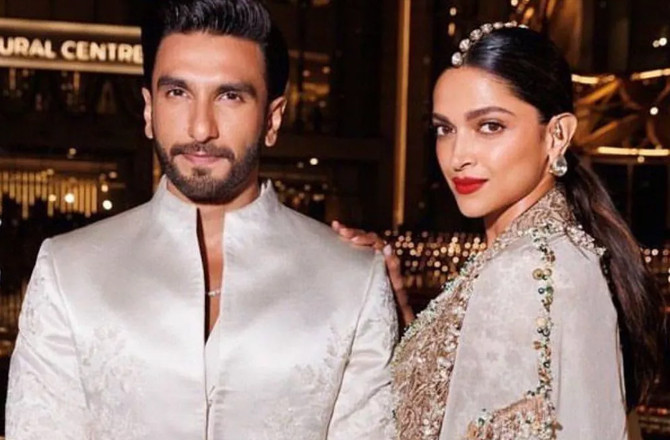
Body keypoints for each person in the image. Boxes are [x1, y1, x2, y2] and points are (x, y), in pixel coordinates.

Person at [5, 1, 397, 438]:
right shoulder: (68, 269)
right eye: (178, 93)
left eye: (230, 96)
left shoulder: (353, 280)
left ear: (272, 119)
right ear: (149, 110)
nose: (200, 128)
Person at [336, 22, 665, 439]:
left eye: (490, 126)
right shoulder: (551, 253)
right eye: (444, 129)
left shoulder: (526, 270)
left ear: (557, 134)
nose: (457, 156)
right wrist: (395, 304)